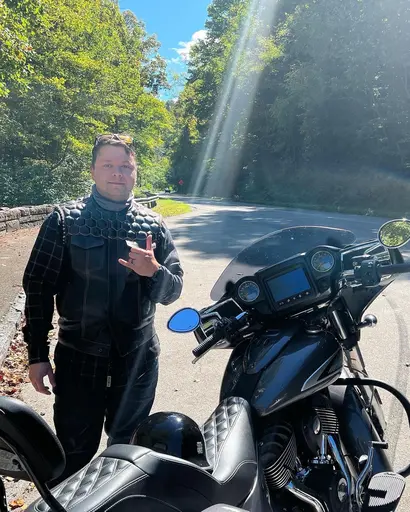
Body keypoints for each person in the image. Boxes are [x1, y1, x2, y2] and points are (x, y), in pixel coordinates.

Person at [22, 133, 184, 482]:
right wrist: (37, 355)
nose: (117, 173)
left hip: (137, 361)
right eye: (108, 165)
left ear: (135, 173)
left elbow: (173, 291)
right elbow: (38, 289)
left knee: (127, 456)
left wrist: (154, 271)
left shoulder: (154, 226)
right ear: (93, 170)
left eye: (125, 166)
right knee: (73, 455)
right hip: (78, 359)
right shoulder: (64, 221)